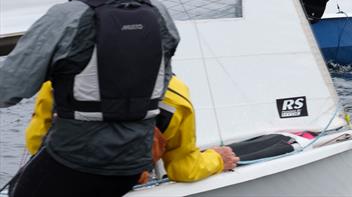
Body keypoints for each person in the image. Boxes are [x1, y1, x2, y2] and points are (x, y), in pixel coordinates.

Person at [0, 0, 180, 197]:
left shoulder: (66, 17)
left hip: (76, 161)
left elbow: (7, 88)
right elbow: (162, 79)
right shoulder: (160, 16)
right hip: (131, 163)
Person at [25, 76, 238, 184]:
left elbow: (36, 143)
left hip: (58, 182)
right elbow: (182, 169)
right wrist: (217, 159)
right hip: (122, 184)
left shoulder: (57, 81)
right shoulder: (175, 93)